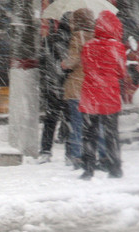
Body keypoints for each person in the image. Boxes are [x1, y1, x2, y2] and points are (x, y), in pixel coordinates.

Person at [79, 10, 128, 179]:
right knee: (111, 133)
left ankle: (88, 169)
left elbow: (86, 68)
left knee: (89, 134)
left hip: (90, 96)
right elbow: (121, 72)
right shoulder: (118, 47)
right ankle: (115, 168)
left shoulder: (88, 46)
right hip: (109, 96)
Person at [61, 8, 95, 169]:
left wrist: (65, 63)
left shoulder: (77, 36)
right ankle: (92, 154)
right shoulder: (96, 36)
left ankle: (76, 155)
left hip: (76, 86)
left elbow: (73, 60)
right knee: (91, 125)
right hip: (91, 86)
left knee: (76, 124)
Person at [38, 14, 72, 163]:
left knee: (50, 120)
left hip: (51, 86)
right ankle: (70, 153)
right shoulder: (74, 42)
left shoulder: (48, 40)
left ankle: (45, 151)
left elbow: (42, 63)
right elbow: (69, 66)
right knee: (70, 119)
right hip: (68, 86)